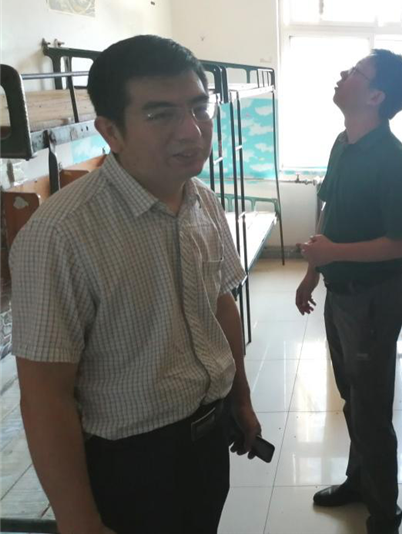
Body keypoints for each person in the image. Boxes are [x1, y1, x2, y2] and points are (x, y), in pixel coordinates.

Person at [10, 35, 261, 534]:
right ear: (111, 131)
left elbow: (220, 306)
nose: (192, 131)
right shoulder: (61, 234)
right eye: (160, 114)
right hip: (131, 463)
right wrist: (78, 521)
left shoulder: (202, 200)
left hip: (209, 440)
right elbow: (44, 396)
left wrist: (240, 400)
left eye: (199, 108)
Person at [295, 49, 402, 534]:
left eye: (355, 71)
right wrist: (314, 269)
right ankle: (359, 480)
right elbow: (329, 211)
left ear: (376, 96)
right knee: (353, 396)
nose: (343, 73)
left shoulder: (393, 160)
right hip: (340, 290)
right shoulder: (342, 142)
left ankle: (385, 513)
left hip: (373, 298)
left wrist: (334, 253)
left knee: (370, 407)